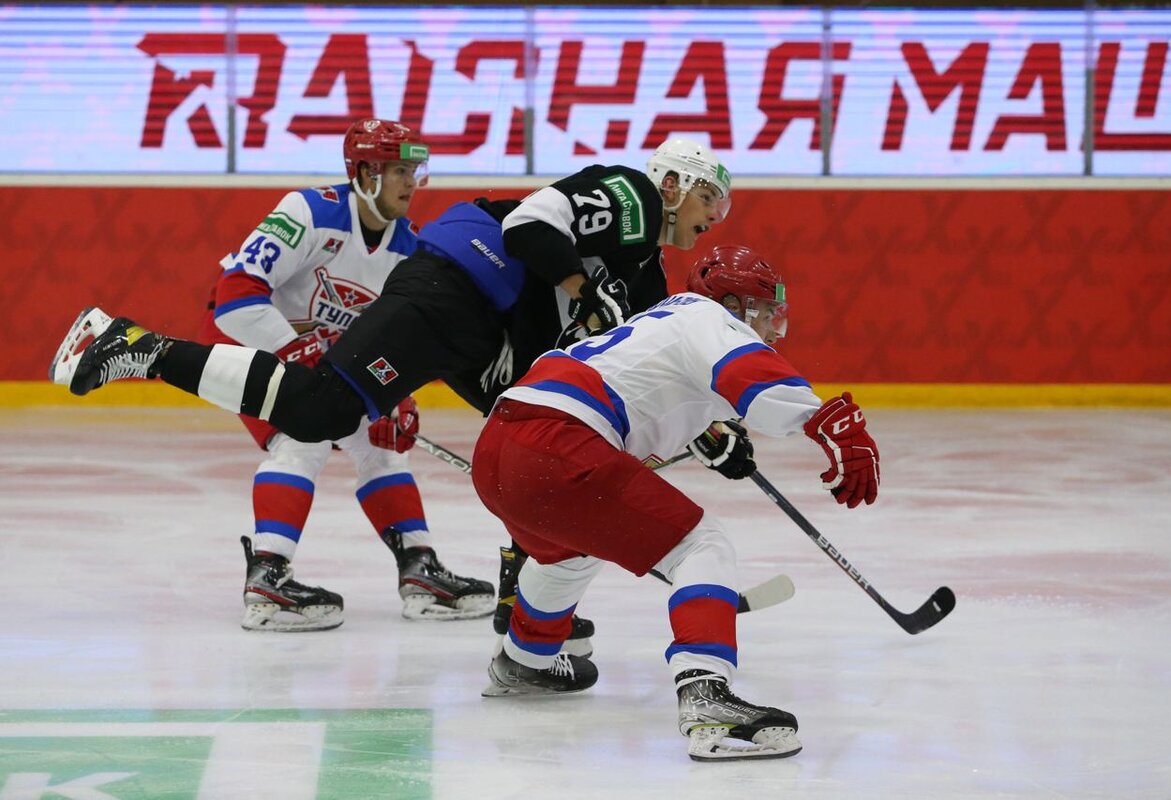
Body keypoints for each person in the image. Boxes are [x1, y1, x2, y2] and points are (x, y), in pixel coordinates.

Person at [49, 138, 734, 653]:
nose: (714, 216)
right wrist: (589, 291)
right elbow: (530, 225)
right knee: (318, 413)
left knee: (542, 437)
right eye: (709, 198)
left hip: (485, 331)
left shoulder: (645, 271)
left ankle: (509, 593)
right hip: (464, 285)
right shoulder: (632, 196)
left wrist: (706, 429)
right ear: (671, 182)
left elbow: (642, 357)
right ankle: (139, 346)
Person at [470, 245, 881, 762]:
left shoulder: (661, 321)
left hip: (500, 448)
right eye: (759, 312)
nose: (771, 329)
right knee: (701, 546)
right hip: (559, 443)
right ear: (729, 303)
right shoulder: (704, 312)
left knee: (567, 551)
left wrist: (709, 432)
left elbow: (665, 392)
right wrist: (827, 422)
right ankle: (706, 695)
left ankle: (524, 659)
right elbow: (750, 376)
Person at [200, 118, 493, 631]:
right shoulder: (308, 212)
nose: (411, 182)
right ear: (363, 173)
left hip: (322, 366)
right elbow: (233, 298)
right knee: (302, 439)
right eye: (398, 169)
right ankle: (267, 578)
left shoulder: (407, 247)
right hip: (255, 344)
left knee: (382, 446)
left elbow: (394, 338)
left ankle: (418, 568)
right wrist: (294, 349)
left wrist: (394, 396)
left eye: (414, 170)